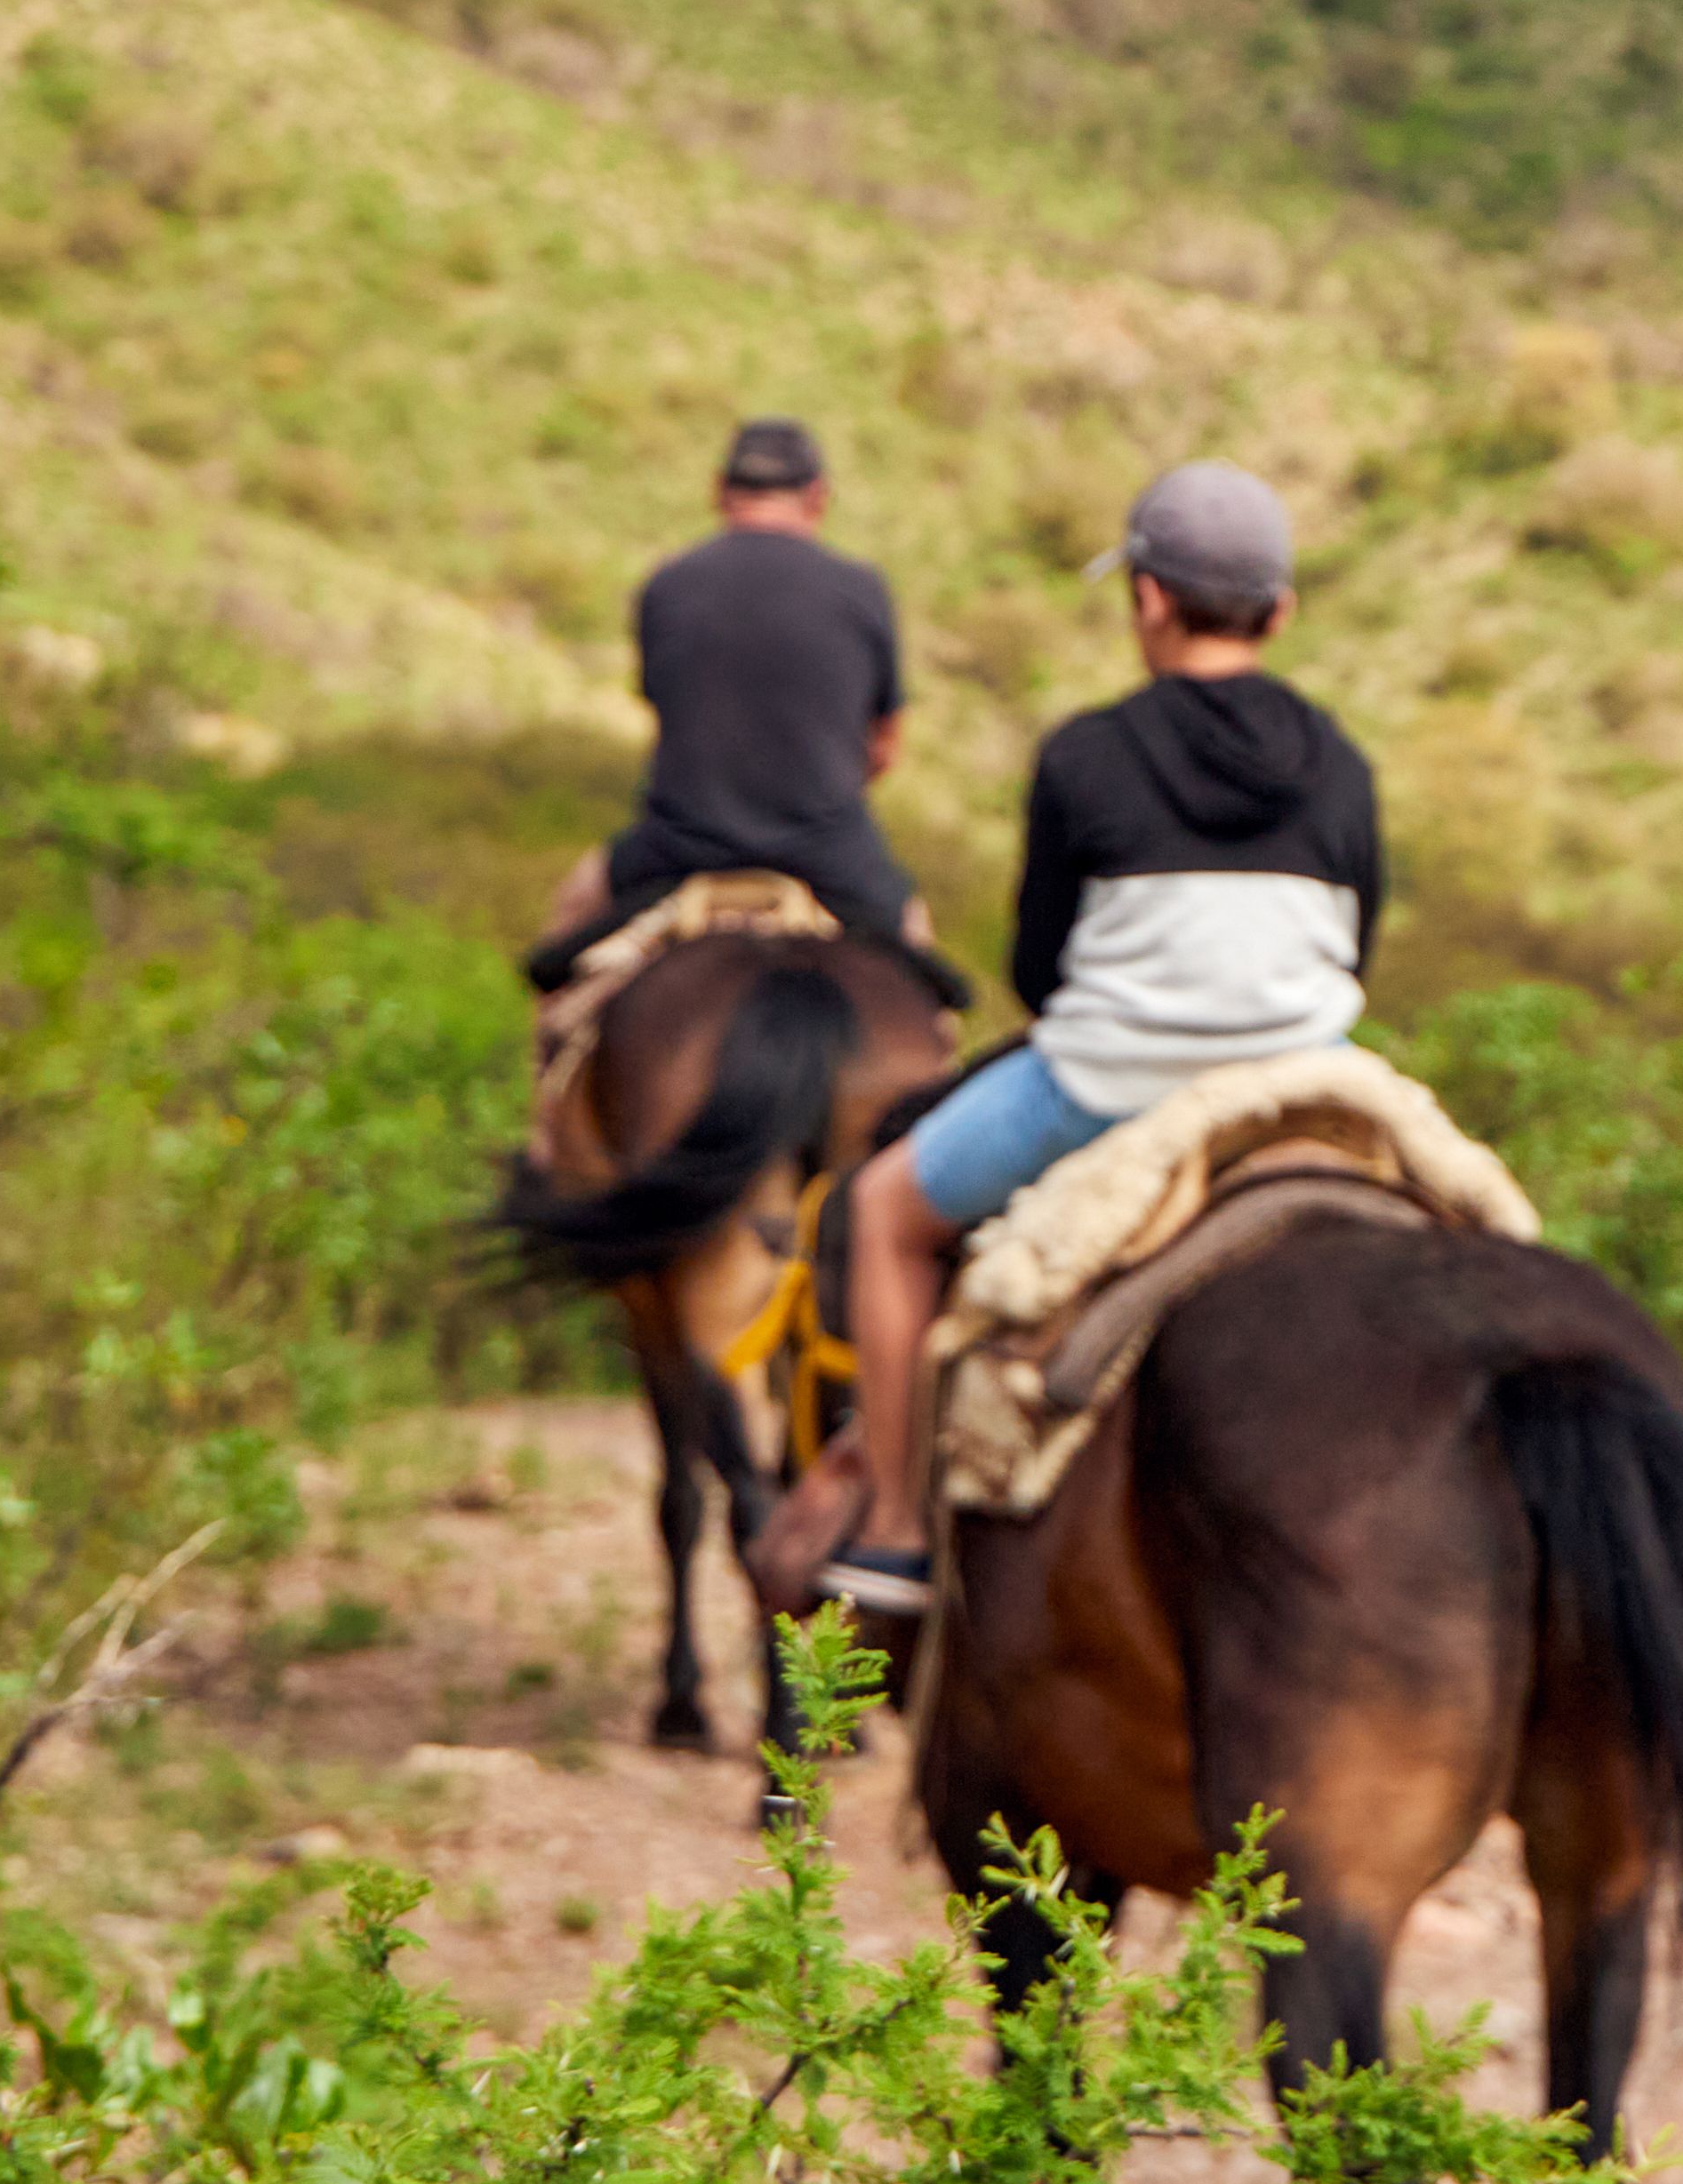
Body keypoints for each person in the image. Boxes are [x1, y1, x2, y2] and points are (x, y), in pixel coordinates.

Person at [796, 459, 1385, 1620]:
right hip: (1303, 1086)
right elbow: (1355, 948)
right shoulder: (1342, 762)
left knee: (880, 1214)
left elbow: (1036, 968)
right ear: (1280, 612)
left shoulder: (1083, 754)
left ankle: (899, 1527)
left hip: (1109, 1087)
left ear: (1148, 601)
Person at [536, 418, 950, 976]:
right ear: (818, 498)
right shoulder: (862, 589)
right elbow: (883, 750)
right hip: (830, 852)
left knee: (565, 936)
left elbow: (669, 715)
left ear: (719, 491)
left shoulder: (668, 584)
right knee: (923, 972)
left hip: (678, 847)